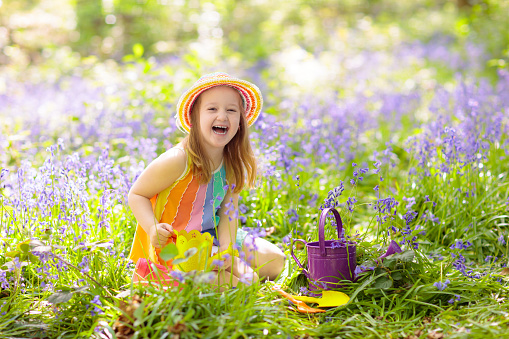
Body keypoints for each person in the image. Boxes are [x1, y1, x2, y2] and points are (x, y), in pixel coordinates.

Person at [128, 72, 285, 287]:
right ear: (195, 117)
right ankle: (159, 277)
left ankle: (204, 276)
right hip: (178, 247)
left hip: (212, 240)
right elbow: (137, 194)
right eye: (212, 109)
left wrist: (227, 252)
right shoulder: (178, 160)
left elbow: (229, 213)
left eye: (231, 110)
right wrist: (152, 227)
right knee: (245, 285)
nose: (222, 116)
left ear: (240, 121)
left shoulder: (231, 161)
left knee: (275, 261)